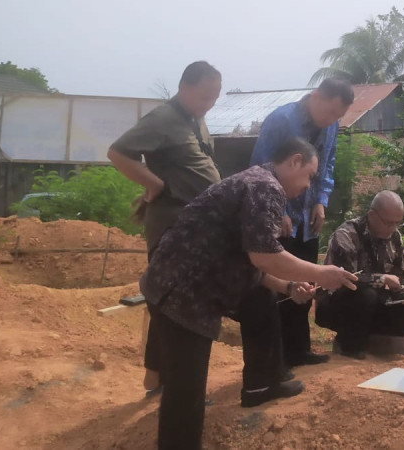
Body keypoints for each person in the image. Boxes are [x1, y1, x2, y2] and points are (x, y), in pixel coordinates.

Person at [140, 137, 358, 449]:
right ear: (294, 161)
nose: (309, 185)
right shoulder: (266, 187)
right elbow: (264, 255)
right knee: (186, 393)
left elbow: (247, 259)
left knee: (260, 301)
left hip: (176, 284)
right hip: (183, 294)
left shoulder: (256, 181)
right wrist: (322, 272)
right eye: (309, 175)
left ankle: (262, 383)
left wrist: (286, 286)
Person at [108, 61, 222, 395]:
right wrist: (154, 185)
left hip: (193, 224)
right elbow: (118, 152)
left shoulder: (194, 119)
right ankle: (170, 382)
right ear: (184, 87)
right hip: (172, 224)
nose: (209, 104)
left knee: (171, 302)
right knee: (172, 304)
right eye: (204, 96)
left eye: (214, 97)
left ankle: (156, 378)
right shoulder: (162, 118)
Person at [250, 78, 354, 369]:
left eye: (338, 116)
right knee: (280, 284)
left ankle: (299, 350)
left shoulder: (330, 125)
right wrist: (277, 207)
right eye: (331, 112)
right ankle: (276, 357)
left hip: (309, 219)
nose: (332, 120)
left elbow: (328, 163)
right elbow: (259, 166)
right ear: (317, 97)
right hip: (279, 219)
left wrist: (321, 199)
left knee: (307, 283)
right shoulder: (281, 120)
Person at [315, 191, 404, 359]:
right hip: (338, 302)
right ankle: (348, 345)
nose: (392, 228)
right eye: (388, 223)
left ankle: (379, 342)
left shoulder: (395, 236)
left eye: (397, 223)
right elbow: (347, 279)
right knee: (366, 295)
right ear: (372, 215)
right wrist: (382, 279)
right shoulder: (346, 234)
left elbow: (403, 273)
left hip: (376, 301)